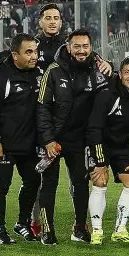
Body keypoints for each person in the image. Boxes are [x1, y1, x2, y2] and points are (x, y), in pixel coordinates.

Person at [36, 28, 109, 245]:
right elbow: (42, 107)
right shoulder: (54, 70)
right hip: (54, 140)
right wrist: (48, 139)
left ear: (91, 47)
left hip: (80, 140)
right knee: (49, 183)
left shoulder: (96, 70)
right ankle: (47, 231)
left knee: (80, 184)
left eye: (85, 46)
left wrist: (111, 68)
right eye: (76, 46)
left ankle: (79, 228)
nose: (81, 50)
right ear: (68, 47)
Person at [0, 33, 43, 245]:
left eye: (35, 51)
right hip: (5, 146)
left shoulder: (39, 74)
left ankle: (22, 223)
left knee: (33, 181)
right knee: (0, 188)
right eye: (29, 52)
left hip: (30, 144)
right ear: (15, 55)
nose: (34, 56)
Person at [85, 56, 129, 244]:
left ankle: (120, 229)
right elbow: (94, 129)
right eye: (128, 72)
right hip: (98, 145)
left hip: (121, 146)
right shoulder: (107, 95)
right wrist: (101, 162)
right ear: (120, 75)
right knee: (100, 180)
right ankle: (97, 230)